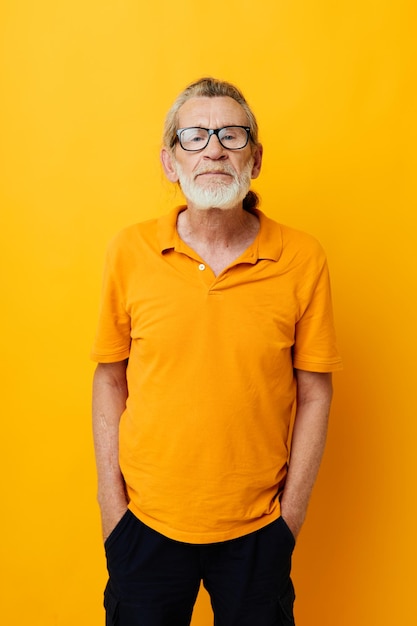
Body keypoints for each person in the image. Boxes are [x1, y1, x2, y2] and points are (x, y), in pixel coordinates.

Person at [91, 77, 342, 626]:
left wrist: (288, 523)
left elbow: (315, 392)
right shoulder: (129, 252)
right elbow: (109, 379)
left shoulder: (302, 258)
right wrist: (116, 519)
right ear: (169, 161)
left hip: (259, 531)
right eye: (195, 136)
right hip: (146, 528)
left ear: (255, 157)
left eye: (232, 134)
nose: (214, 149)